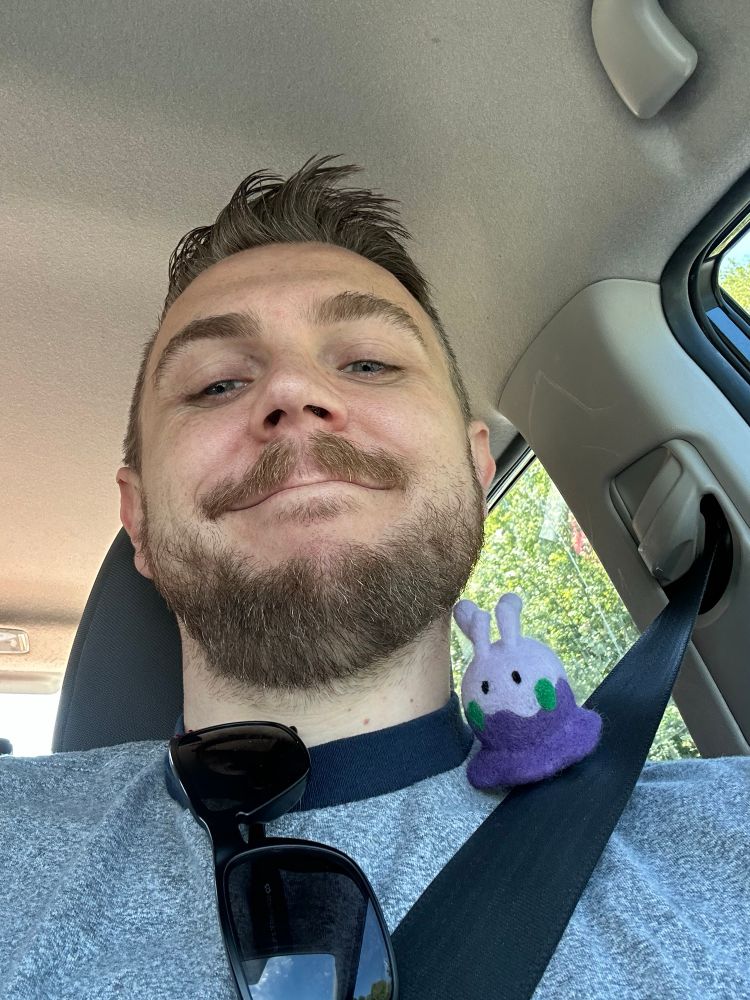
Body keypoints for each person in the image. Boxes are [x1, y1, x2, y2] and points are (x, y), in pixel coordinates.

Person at [1, 153, 748, 999]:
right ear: (136, 519)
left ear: (474, 472)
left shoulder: (727, 842)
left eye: (366, 363)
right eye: (215, 383)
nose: (290, 390)